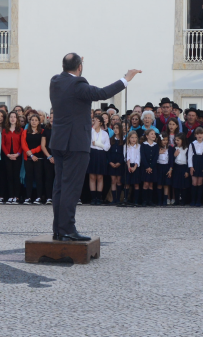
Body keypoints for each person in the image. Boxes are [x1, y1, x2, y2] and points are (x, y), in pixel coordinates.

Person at [48, 53, 139, 240]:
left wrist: (76, 64)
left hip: (58, 141)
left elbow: (68, 75)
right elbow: (102, 94)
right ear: (79, 67)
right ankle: (67, 229)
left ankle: (58, 228)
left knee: (59, 186)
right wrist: (126, 79)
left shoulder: (55, 81)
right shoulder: (79, 85)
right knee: (71, 188)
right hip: (75, 143)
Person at [87, 115, 109, 205]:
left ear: (100, 122)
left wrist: (97, 144)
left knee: (100, 176)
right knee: (92, 176)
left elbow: (107, 147)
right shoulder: (90, 131)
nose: (94, 122)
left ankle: (99, 197)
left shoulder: (104, 133)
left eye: (96, 120)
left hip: (101, 154)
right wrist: (93, 128)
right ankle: (93, 197)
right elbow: (88, 142)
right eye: (93, 120)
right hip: (92, 153)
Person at [1, 111, 23, 205]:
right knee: (9, 176)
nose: (13, 119)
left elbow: (22, 144)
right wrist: (8, 155)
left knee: (16, 176)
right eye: (11, 117)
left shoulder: (20, 130)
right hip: (8, 156)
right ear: (8, 119)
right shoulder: (5, 130)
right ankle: (10, 196)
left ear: (17, 119)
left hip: (17, 156)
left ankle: (16, 196)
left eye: (14, 117)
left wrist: (17, 154)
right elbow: (2, 144)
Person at [188, 127, 203, 207]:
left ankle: (198, 200)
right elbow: (190, 156)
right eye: (197, 134)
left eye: (201, 134)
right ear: (195, 135)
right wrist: (191, 166)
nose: (199, 135)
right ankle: (193, 200)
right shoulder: (192, 144)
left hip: (202, 163)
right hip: (194, 163)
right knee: (194, 182)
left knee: (200, 182)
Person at [107, 123, 125, 205]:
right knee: (113, 180)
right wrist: (110, 162)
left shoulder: (124, 140)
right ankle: (114, 199)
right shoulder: (111, 139)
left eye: (117, 128)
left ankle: (118, 199)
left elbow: (124, 153)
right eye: (114, 128)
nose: (115, 129)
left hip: (120, 163)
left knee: (119, 181)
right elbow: (108, 152)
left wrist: (120, 162)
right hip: (112, 162)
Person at [171, 134, 190, 206]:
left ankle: (183, 200)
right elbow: (171, 160)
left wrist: (187, 171)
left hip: (184, 167)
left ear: (183, 140)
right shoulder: (174, 149)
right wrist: (174, 155)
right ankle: (176, 200)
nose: (176, 141)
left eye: (178, 140)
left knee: (183, 185)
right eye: (175, 140)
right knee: (176, 185)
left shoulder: (187, 149)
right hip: (176, 167)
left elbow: (189, 160)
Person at [123, 131, 141, 206]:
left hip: (136, 166)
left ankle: (136, 201)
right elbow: (127, 156)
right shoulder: (126, 146)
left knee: (136, 184)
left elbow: (138, 157)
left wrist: (135, 167)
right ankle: (126, 199)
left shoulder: (139, 146)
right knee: (127, 183)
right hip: (128, 165)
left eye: (135, 137)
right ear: (129, 138)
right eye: (132, 137)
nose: (134, 139)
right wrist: (129, 166)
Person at [154, 135, 172, 206]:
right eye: (163, 140)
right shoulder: (157, 148)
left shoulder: (170, 148)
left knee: (166, 184)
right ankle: (159, 200)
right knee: (159, 184)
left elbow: (171, 160)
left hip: (167, 167)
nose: (165, 141)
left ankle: (165, 200)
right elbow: (154, 158)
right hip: (159, 166)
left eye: (166, 140)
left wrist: (170, 169)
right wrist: (158, 153)